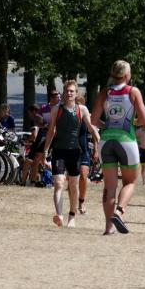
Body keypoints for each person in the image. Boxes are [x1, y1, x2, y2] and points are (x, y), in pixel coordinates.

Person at [91, 60, 145, 235]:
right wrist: (136, 122)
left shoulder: (104, 92)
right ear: (127, 75)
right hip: (126, 141)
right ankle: (119, 211)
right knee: (130, 182)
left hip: (106, 141)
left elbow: (94, 121)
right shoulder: (133, 91)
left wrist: (108, 126)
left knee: (109, 187)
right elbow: (144, 120)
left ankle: (108, 228)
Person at [43, 80, 100, 228]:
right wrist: (45, 151)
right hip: (59, 151)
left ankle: (72, 216)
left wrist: (97, 138)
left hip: (75, 152)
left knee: (74, 186)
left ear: (76, 94)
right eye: (67, 91)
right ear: (63, 93)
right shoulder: (56, 109)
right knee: (58, 183)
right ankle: (59, 215)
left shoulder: (82, 109)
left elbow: (90, 127)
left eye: (72, 91)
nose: (69, 93)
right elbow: (51, 131)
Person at [29, 90, 60, 187]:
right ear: (51, 98)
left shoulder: (61, 107)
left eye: (59, 97)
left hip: (59, 137)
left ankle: (56, 181)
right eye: (57, 97)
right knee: (37, 157)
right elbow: (37, 121)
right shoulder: (43, 108)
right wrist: (44, 125)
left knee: (57, 159)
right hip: (47, 136)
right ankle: (33, 181)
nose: (59, 99)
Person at [19, 105, 42, 186]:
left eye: (29, 112)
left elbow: (34, 135)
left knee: (27, 162)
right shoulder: (41, 118)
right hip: (42, 143)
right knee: (36, 163)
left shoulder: (34, 120)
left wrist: (27, 140)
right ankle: (33, 181)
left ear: (34, 112)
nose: (29, 115)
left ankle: (23, 182)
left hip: (36, 144)